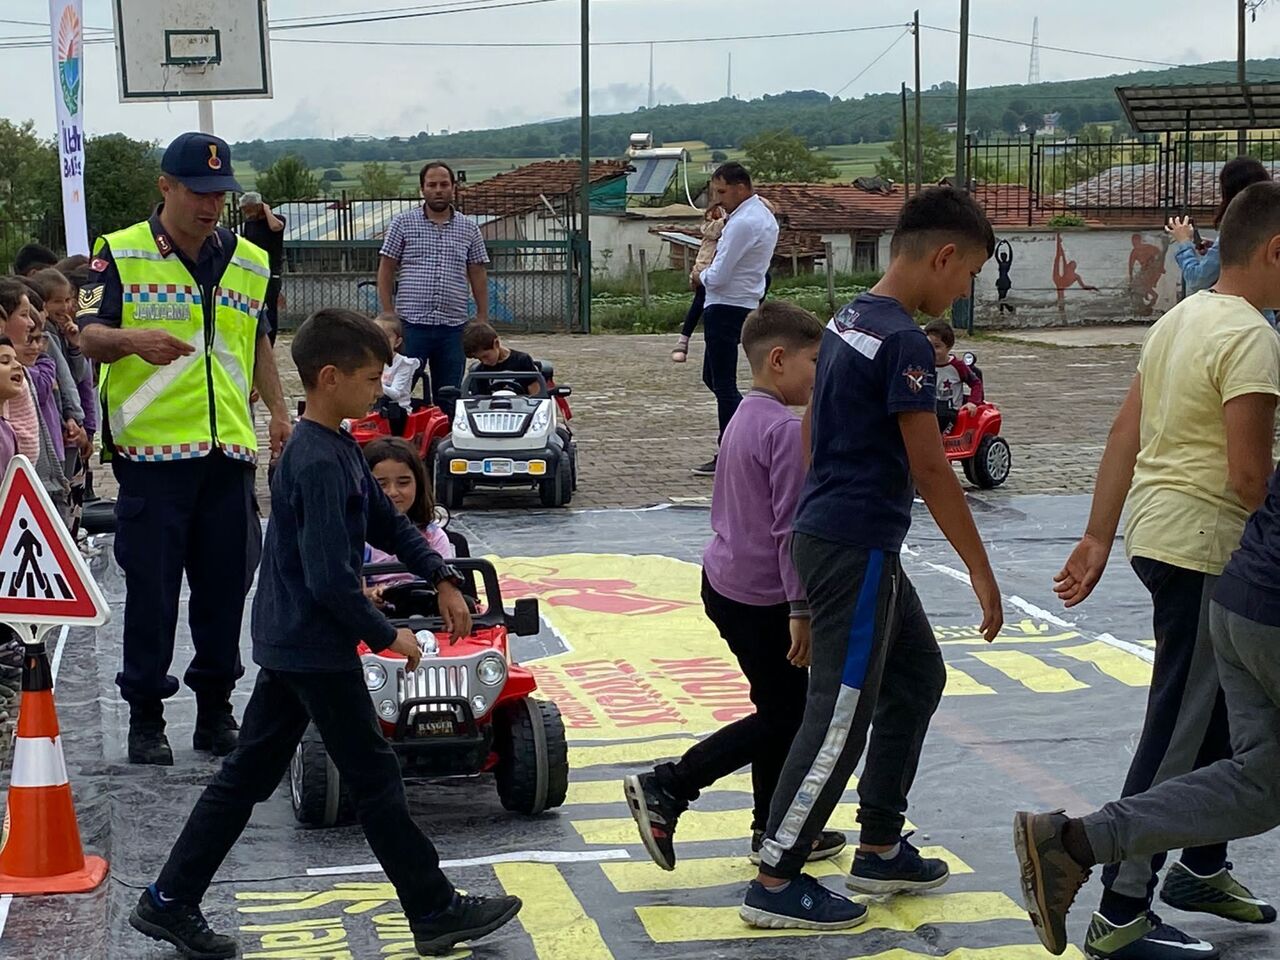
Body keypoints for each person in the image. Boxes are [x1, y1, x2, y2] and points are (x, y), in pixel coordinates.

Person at [129, 309, 521, 960]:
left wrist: (442, 575)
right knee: (373, 778)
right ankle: (433, 909)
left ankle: (169, 899)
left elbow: (388, 523)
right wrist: (387, 636)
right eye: (371, 378)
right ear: (331, 377)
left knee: (248, 778)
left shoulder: (339, 445)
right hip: (312, 647)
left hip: (297, 643)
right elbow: (329, 580)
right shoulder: (314, 460)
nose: (380, 389)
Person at [1018, 179, 1280, 960]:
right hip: (1211, 547)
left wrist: (1099, 535)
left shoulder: (1181, 317)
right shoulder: (1252, 337)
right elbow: (1249, 478)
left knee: (1224, 725)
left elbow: (1124, 432)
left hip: (1161, 533)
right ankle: (1120, 908)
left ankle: (1202, 865)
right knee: (1178, 732)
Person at [740, 186, 1003, 931]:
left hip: (844, 537)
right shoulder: (904, 342)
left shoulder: (849, 318)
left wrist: (818, 509)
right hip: (854, 544)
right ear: (943, 256)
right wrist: (981, 569)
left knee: (916, 677)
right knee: (839, 712)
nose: (964, 291)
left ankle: (880, 843)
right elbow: (931, 466)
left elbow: (811, 429)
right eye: (968, 274)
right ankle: (776, 876)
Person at [77, 132, 292, 766]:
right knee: (152, 592)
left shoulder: (249, 259)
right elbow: (87, 335)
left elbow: (257, 341)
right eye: (197, 192)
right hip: (152, 458)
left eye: (219, 195)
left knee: (225, 589)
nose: (209, 206)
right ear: (165, 186)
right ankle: (146, 716)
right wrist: (131, 339)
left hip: (228, 453)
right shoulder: (116, 253)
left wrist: (280, 412)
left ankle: (215, 710)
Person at [625, 300, 854, 869]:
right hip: (764, 599)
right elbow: (789, 530)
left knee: (780, 707)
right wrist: (800, 609)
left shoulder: (745, 416)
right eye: (814, 361)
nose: (820, 374)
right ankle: (671, 784)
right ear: (778, 360)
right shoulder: (785, 429)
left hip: (726, 583)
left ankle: (768, 828)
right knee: (788, 715)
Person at [378, 162, 489, 412]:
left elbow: (478, 271)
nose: (438, 190)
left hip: (453, 329)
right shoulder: (402, 223)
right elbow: (386, 267)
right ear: (422, 189)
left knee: (448, 396)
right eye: (432, 185)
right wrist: (387, 312)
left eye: (444, 184)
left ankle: (446, 434)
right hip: (410, 326)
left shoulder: (469, 228)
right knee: (394, 395)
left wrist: (482, 316)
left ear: (453, 187)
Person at [691, 162, 779, 476]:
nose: (718, 198)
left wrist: (701, 276)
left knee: (724, 382)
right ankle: (750, 430)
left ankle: (732, 449)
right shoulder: (762, 216)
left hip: (726, 304)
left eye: (722, 191)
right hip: (743, 301)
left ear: (741, 187)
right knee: (713, 377)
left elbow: (720, 272)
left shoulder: (743, 222)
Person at [363, 436, 455, 602]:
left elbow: (447, 590)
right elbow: (351, 592)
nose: (392, 492)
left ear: (418, 484)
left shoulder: (434, 537)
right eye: (381, 485)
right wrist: (372, 595)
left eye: (403, 483)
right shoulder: (358, 538)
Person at [1168, 156, 1270, 296]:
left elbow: (1197, 279)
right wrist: (1217, 248)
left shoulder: (1236, 230)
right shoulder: (1269, 221)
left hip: (1241, 307)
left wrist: (1184, 242)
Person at [672, 204, 726, 363]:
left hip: (726, 272)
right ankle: (684, 339)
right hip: (706, 270)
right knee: (700, 302)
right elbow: (713, 231)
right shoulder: (710, 228)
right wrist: (727, 219)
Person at [238, 192, 287, 344]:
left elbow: (276, 227)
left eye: (249, 209)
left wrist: (267, 210)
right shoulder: (249, 224)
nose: (247, 213)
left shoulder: (277, 220)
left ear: (259, 206)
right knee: (255, 305)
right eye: (244, 209)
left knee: (270, 307)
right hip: (254, 270)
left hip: (272, 271)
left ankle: (270, 341)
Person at [923, 319, 983, 433]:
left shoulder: (957, 366)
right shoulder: (923, 364)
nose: (932, 351)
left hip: (950, 412)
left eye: (937, 346)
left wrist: (973, 402)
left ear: (948, 347)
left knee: (942, 418)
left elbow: (976, 383)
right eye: (928, 346)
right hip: (930, 409)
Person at [462, 320, 540, 395]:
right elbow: (479, 398)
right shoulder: (480, 371)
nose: (484, 362)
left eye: (485, 356)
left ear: (496, 344)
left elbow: (535, 394)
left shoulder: (522, 361)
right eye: (479, 359)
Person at [374, 312, 420, 437]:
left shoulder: (403, 364)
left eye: (386, 338)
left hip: (398, 410)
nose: (380, 342)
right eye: (376, 337)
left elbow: (396, 394)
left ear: (397, 342)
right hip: (374, 405)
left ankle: (391, 442)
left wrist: (373, 383)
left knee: (386, 407)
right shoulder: (370, 361)